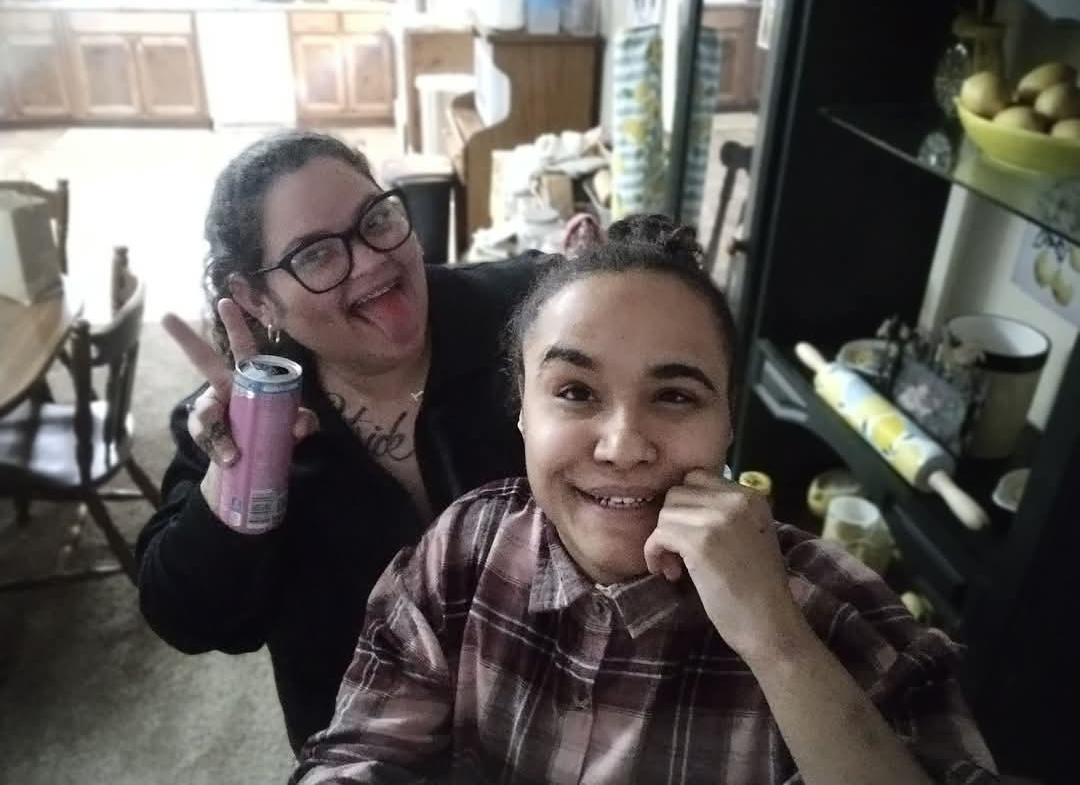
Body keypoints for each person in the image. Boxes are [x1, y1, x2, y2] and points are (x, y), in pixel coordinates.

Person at [292, 215, 998, 785]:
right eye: (575, 392)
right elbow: (362, 752)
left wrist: (778, 643)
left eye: (676, 396)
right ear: (522, 410)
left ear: (728, 420)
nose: (624, 446)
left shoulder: (834, 607)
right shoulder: (464, 551)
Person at [135, 130, 549, 754]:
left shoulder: (526, 314)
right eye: (316, 255)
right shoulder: (236, 416)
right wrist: (246, 473)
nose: (371, 261)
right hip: (371, 752)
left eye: (376, 220)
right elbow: (190, 619)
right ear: (255, 298)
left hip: (554, 719)